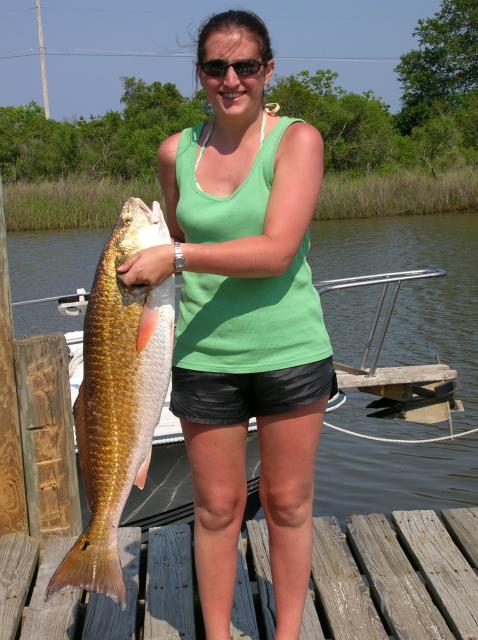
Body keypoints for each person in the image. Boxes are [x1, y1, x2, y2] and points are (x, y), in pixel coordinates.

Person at [117, 9, 334, 640]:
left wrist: (175, 257)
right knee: (216, 509)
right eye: (216, 67)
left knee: (289, 504)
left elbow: (275, 250)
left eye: (244, 66)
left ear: (268, 70)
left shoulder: (297, 140)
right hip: (204, 357)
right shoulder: (175, 152)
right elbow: (174, 235)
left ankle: (287, 633)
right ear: (200, 75)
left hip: (290, 351)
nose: (231, 78)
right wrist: (147, 258)